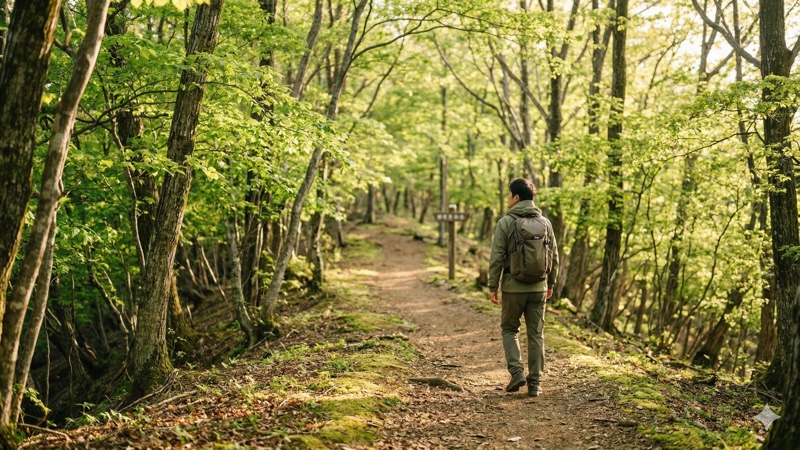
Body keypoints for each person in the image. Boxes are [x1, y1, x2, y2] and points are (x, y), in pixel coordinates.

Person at [488, 178, 558, 397]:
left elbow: (497, 257)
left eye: (509, 194)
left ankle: (517, 372)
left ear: (516, 198)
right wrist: (551, 283)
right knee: (536, 334)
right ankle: (535, 383)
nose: (507, 198)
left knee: (510, 329)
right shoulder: (545, 223)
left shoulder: (505, 223)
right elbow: (554, 256)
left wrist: (493, 285)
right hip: (539, 287)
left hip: (512, 287)